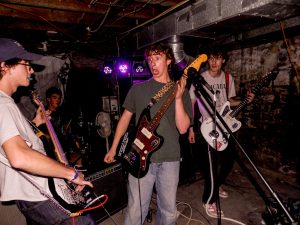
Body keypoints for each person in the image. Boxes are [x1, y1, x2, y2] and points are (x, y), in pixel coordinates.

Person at [0, 38, 97, 225]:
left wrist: (35, 122)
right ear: (5, 66)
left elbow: (16, 141)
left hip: (29, 193)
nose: (31, 70)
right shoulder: (3, 104)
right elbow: (19, 157)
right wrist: (71, 174)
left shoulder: (6, 103)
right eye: (25, 63)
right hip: (37, 192)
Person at [104, 42, 192, 225]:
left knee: (168, 212)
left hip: (170, 158)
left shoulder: (180, 89)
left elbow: (183, 128)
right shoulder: (138, 89)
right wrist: (113, 148)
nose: (152, 64)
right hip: (139, 157)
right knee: (136, 210)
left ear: (168, 60)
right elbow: (124, 119)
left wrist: (177, 99)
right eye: (150, 59)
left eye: (157, 58)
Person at [188, 48, 255, 217]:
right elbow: (191, 103)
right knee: (211, 166)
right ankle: (208, 200)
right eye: (211, 58)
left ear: (223, 60)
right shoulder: (200, 78)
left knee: (228, 160)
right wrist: (191, 127)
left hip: (224, 126)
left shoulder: (227, 78)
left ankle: (217, 185)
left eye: (218, 58)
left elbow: (230, 101)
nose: (214, 62)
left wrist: (245, 100)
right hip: (207, 127)